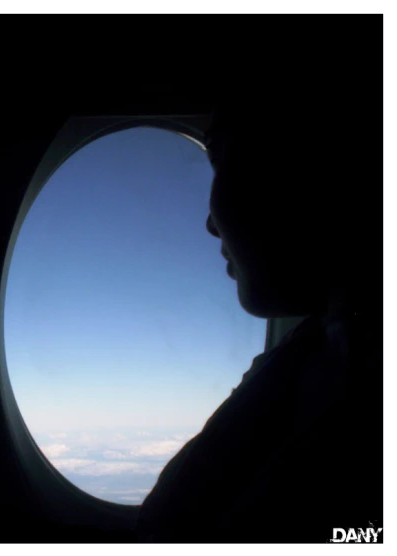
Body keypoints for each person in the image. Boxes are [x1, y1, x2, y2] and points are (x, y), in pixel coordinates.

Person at [135, 76, 382, 542]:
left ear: (299, 169)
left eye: (219, 161)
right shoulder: (321, 353)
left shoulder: (358, 410)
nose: (210, 225)